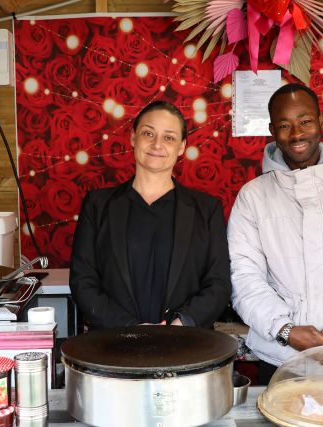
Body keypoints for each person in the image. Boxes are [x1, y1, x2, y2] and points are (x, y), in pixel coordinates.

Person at [227, 83, 323, 383]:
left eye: (305, 121)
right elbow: (245, 278)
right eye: (285, 125)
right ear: (272, 130)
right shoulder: (252, 197)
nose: (297, 134)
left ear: (321, 121)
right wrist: (285, 331)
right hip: (281, 357)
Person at [69, 101, 231, 329]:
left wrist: (181, 324)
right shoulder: (98, 205)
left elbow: (219, 283)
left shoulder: (207, 210)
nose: (157, 144)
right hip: (113, 349)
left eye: (169, 137)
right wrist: (130, 328)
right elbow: (83, 281)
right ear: (133, 138)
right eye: (148, 133)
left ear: (182, 147)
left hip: (186, 347)